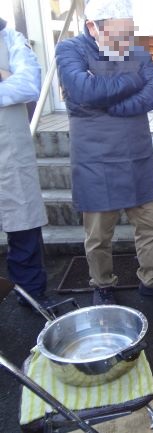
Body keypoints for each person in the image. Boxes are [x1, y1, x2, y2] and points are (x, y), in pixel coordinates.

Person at [55, 0, 153, 305]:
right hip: (95, 158)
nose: (125, 42)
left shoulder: (136, 52)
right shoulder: (70, 50)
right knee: (99, 234)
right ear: (93, 28)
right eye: (118, 35)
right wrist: (132, 80)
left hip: (136, 154)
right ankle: (102, 284)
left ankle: (152, 279)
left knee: (150, 225)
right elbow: (83, 92)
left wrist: (115, 105)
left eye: (128, 34)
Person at [0, 18, 58, 310]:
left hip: (11, 152)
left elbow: (27, 85)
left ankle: (32, 295)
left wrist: (10, 78)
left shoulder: (12, 38)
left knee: (23, 228)